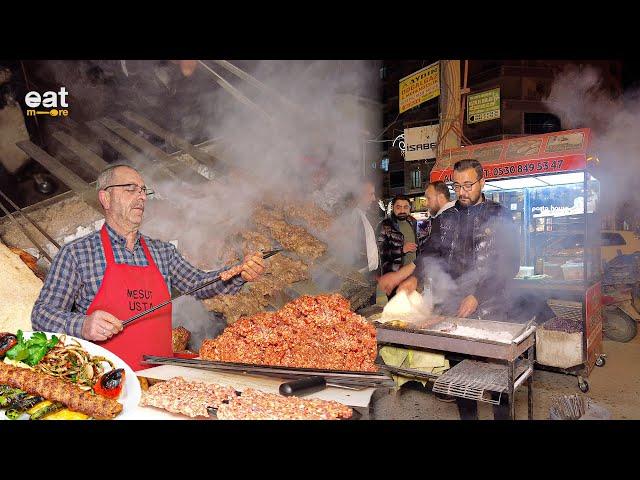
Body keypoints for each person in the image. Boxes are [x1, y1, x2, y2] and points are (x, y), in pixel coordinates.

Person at [31, 164, 265, 371]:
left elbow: (199, 284)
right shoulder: (76, 254)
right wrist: (83, 325)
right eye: (130, 189)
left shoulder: (162, 252)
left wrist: (239, 273)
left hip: (161, 375)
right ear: (106, 198)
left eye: (143, 191)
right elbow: (41, 315)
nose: (141, 197)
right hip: (107, 381)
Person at [397, 159, 520, 420]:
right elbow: (430, 253)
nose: (462, 192)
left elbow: (509, 265)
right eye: (457, 186)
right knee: (462, 379)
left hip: (492, 307)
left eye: (468, 185)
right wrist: (414, 278)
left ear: (482, 182)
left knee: (499, 381)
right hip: (455, 310)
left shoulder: (499, 214)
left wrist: (478, 295)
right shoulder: (447, 218)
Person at [376, 195, 421, 299]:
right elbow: (380, 252)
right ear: (393, 208)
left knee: (415, 309)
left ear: (410, 208)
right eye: (398, 207)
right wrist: (401, 250)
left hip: (413, 275)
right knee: (398, 311)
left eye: (405, 207)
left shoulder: (413, 222)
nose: (402, 210)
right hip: (394, 277)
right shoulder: (385, 225)